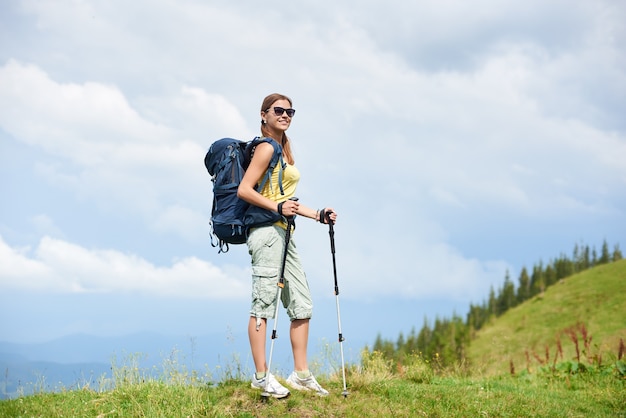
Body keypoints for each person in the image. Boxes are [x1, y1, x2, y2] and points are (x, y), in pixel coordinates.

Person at [237, 93, 337, 398]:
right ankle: (261, 376)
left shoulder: (282, 150)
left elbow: (287, 202)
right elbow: (244, 190)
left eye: (290, 111)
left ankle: (300, 375)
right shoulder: (266, 148)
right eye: (279, 110)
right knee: (263, 305)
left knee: (301, 304)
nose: (285, 115)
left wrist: (318, 215)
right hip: (266, 234)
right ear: (264, 114)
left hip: (284, 233)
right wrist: (277, 209)